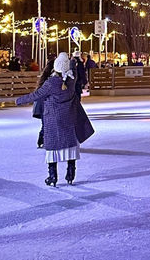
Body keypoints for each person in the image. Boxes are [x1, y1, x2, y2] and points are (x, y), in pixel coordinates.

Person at [13, 52, 95, 186]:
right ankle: (70, 174)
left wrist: (18, 100)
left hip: (53, 120)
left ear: (55, 68)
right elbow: (73, 69)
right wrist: (73, 61)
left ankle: (52, 176)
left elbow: (36, 95)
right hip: (69, 118)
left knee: (52, 148)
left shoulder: (51, 83)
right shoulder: (71, 80)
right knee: (70, 146)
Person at [34, 53, 56, 148]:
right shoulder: (51, 80)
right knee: (49, 123)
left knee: (46, 123)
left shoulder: (44, 80)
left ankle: (42, 139)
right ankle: (44, 139)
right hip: (47, 104)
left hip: (44, 104)